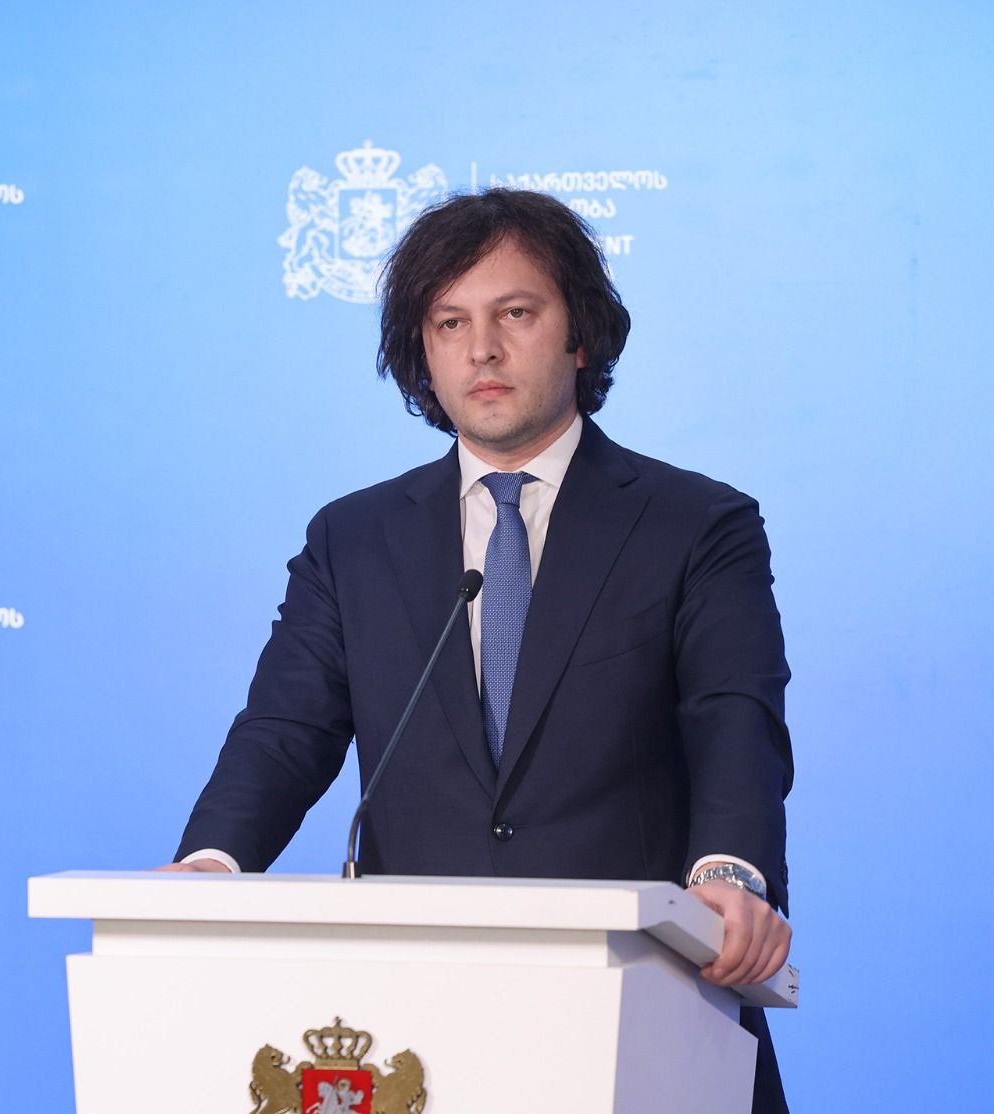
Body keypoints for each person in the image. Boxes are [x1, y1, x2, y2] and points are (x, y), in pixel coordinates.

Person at [159, 189, 794, 1111]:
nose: (481, 350)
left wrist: (730, 873)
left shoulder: (696, 524)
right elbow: (284, 730)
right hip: (421, 1027)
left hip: (646, 1006)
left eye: (515, 314)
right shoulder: (354, 538)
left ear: (581, 334)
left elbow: (733, 718)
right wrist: (210, 865)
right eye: (449, 323)